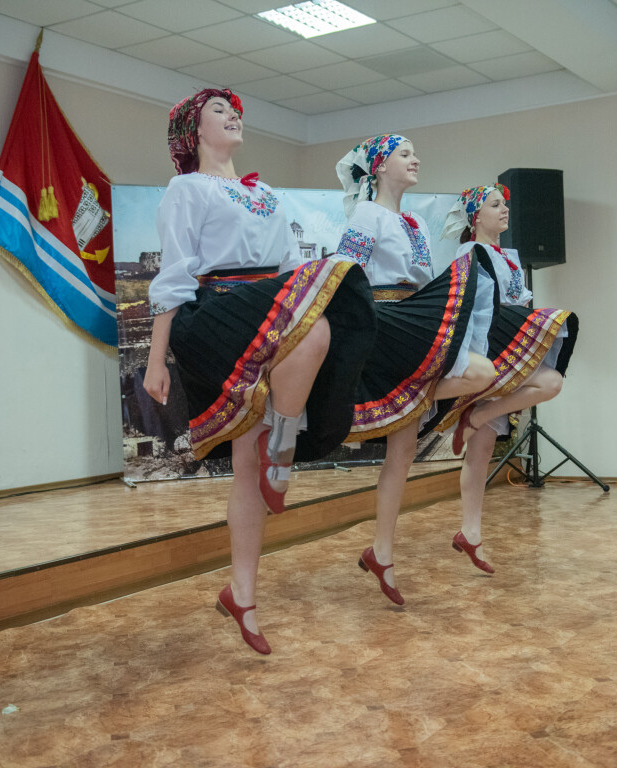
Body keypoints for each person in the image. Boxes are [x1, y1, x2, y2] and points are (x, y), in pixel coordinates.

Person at [143, 89, 374, 654]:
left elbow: (293, 267)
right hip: (217, 312)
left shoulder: (267, 193)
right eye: (218, 111)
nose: (233, 115)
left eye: (234, 110)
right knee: (313, 324)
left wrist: (307, 290)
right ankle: (284, 449)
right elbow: (175, 272)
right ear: (193, 131)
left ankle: (241, 595)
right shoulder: (186, 188)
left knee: (250, 456)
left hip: (269, 308)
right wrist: (155, 358)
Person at [335, 135, 496, 605]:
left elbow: (423, 281)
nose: (415, 159)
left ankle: (380, 553)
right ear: (380, 167)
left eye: (414, 153)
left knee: (402, 454)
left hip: (414, 322)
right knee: (480, 373)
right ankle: (413, 396)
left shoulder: (416, 223)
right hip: (385, 324)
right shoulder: (366, 215)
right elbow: (345, 272)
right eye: (404, 154)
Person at [435, 183, 580, 573]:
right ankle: (471, 532)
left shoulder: (509, 257)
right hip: (490, 351)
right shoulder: (469, 253)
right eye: (495, 205)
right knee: (481, 452)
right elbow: (467, 309)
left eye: (504, 204)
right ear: (475, 217)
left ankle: (479, 417)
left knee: (550, 383)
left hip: (509, 348)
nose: (504, 210)